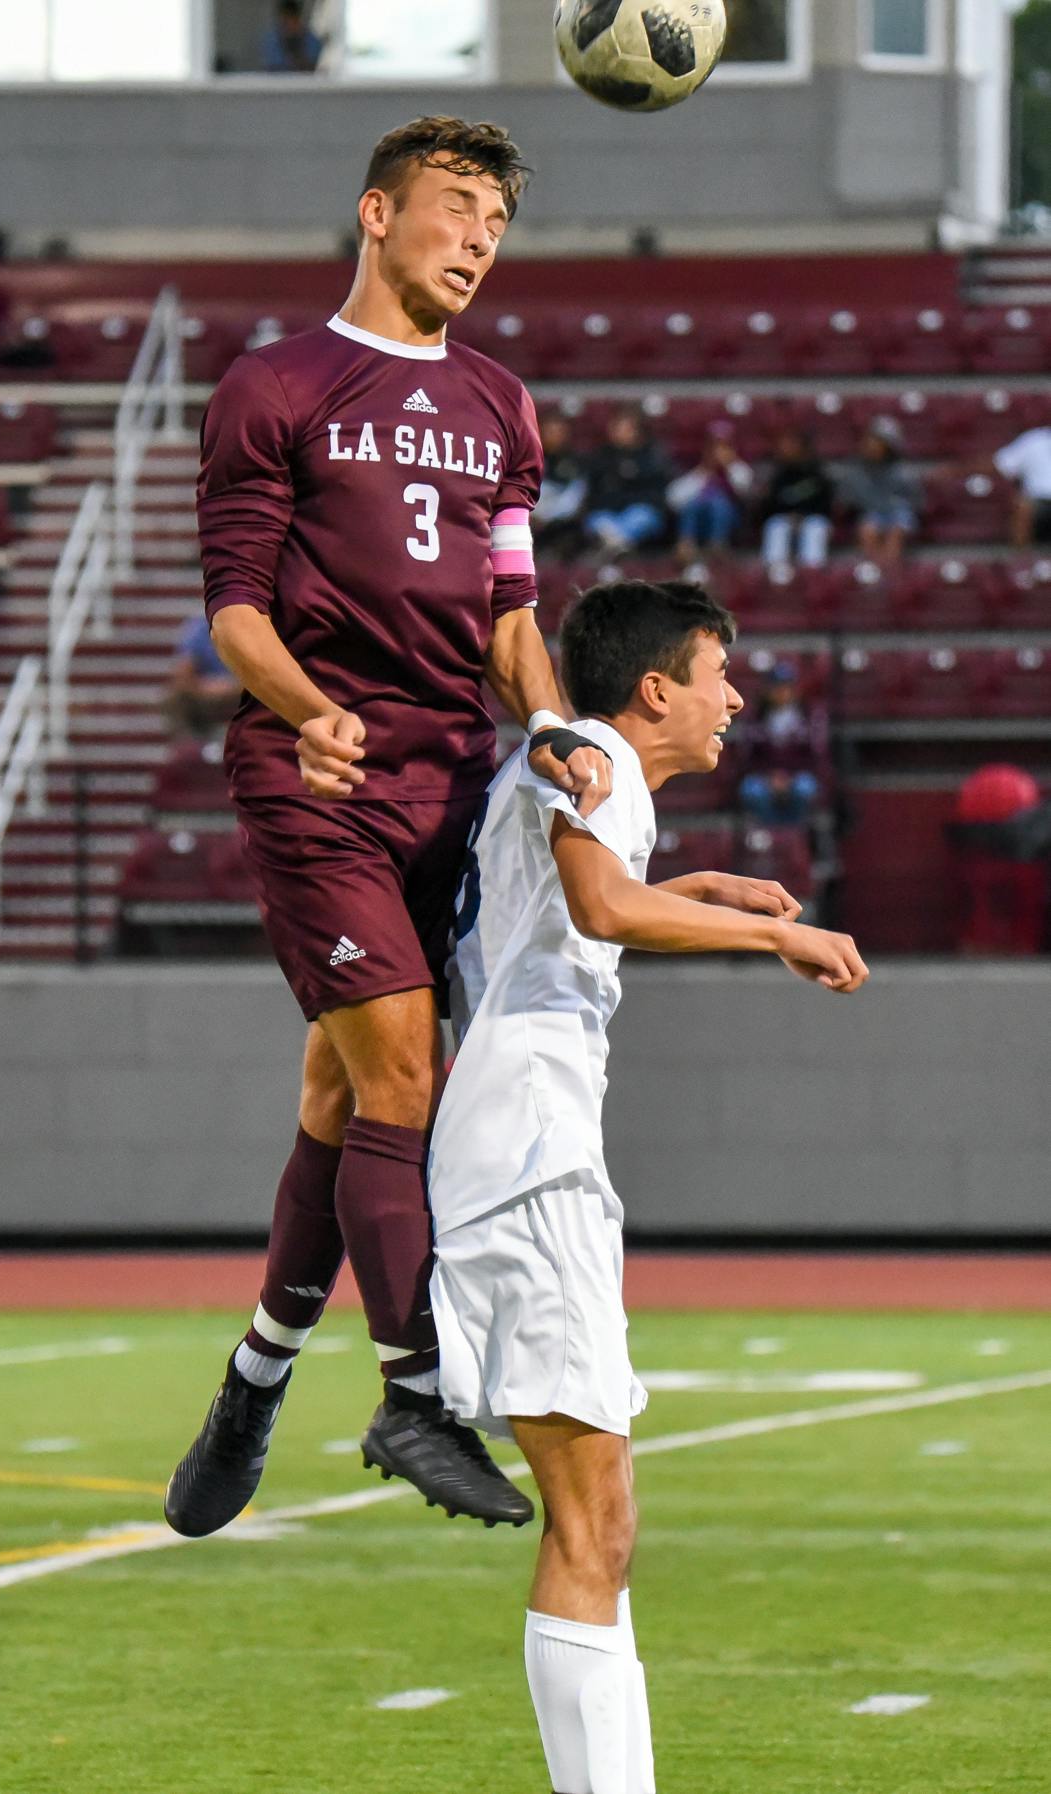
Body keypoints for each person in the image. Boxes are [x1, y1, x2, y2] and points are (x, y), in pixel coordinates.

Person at [164, 116, 614, 1541]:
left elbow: (508, 614)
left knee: (340, 1094)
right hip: (317, 780)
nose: (478, 238)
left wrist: (549, 727)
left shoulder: (501, 405)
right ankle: (415, 1392)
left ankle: (253, 1379)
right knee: (404, 1072)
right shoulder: (274, 384)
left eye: (496, 220)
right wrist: (306, 709)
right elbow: (235, 609)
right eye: (456, 206)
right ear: (376, 213)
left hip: (450, 783)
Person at [428, 579, 868, 1794]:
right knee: (594, 1523)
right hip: (529, 1156)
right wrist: (773, 934)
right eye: (719, 675)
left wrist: (702, 890)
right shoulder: (599, 762)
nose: (737, 699)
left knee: (602, 1521)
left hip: (515, 1150)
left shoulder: (570, 765)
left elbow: (552, 926)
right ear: (655, 688)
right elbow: (596, 905)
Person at [737, 659, 825, 826]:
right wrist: (770, 777)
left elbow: (816, 757)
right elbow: (748, 757)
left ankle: (796, 833)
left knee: (804, 788)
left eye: (786, 687)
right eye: (776, 687)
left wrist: (789, 777)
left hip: (799, 775)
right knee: (752, 790)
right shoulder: (755, 717)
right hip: (764, 777)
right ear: (767, 691)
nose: (781, 692)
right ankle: (771, 832)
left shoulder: (810, 716)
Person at [582, 407, 671, 555]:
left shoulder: (651, 457)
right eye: (617, 428)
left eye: (626, 429)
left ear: (637, 432)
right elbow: (592, 494)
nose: (619, 433)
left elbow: (656, 496)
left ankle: (614, 547)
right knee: (597, 521)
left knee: (641, 517)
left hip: (639, 513)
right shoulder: (601, 456)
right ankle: (619, 546)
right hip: (608, 514)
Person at [668, 421, 753, 563]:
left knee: (718, 503)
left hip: (731, 522)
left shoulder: (739, 469)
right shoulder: (699, 471)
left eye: (724, 447)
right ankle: (686, 545)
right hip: (699, 521)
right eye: (714, 447)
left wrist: (728, 466)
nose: (718, 452)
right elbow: (674, 500)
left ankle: (717, 545)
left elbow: (744, 489)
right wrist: (704, 472)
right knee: (693, 504)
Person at [840, 416, 920, 567]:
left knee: (896, 531)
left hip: (899, 512)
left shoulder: (902, 470)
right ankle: (874, 570)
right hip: (872, 512)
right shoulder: (856, 470)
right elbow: (847, 500)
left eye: (878, 443)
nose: (872, 446)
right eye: (871, 441)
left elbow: (916, 500)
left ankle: (890, 570)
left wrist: (900, 507)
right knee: (867, 530)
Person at [758, 426, 835, 569]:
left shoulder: (818, 472)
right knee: (775, 526)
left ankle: (812, 572)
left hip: (812, 517)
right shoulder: (778, 474)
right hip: (784, 518)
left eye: (792, 446)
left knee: (815, 527)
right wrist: (789, 516)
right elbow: (770, 506)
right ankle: (775, 572)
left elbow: (825, 503)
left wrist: (802, 516)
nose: (787, 450)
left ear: (803, 449)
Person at [163, 613, 239, 740]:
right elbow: (183, 673)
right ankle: (190, 742)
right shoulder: (199, 628)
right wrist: (203, 687)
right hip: (204, 690)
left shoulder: (254, 626)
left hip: (244, 689)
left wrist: (233, 687)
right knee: (176, 697)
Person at [533, 411, 588, 560]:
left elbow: (577, 493)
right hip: (534, 515)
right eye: (550, 431)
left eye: (559, 431)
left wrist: (554, 514)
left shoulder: (575, 460)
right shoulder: (530, 458)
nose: (555, 436)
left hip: (563, 518)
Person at [992, 418, 1051, 548]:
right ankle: (1020, 557)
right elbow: (1002, 465)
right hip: (1038, 500)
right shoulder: (1034, 439)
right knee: (1023, 507)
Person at [261, 0, 326, 73]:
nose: (285, 25)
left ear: (297, 19)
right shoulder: (272, 40)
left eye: (288, 20)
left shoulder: (312, 41)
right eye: (283, 20)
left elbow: (313, 68)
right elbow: (272, 68)